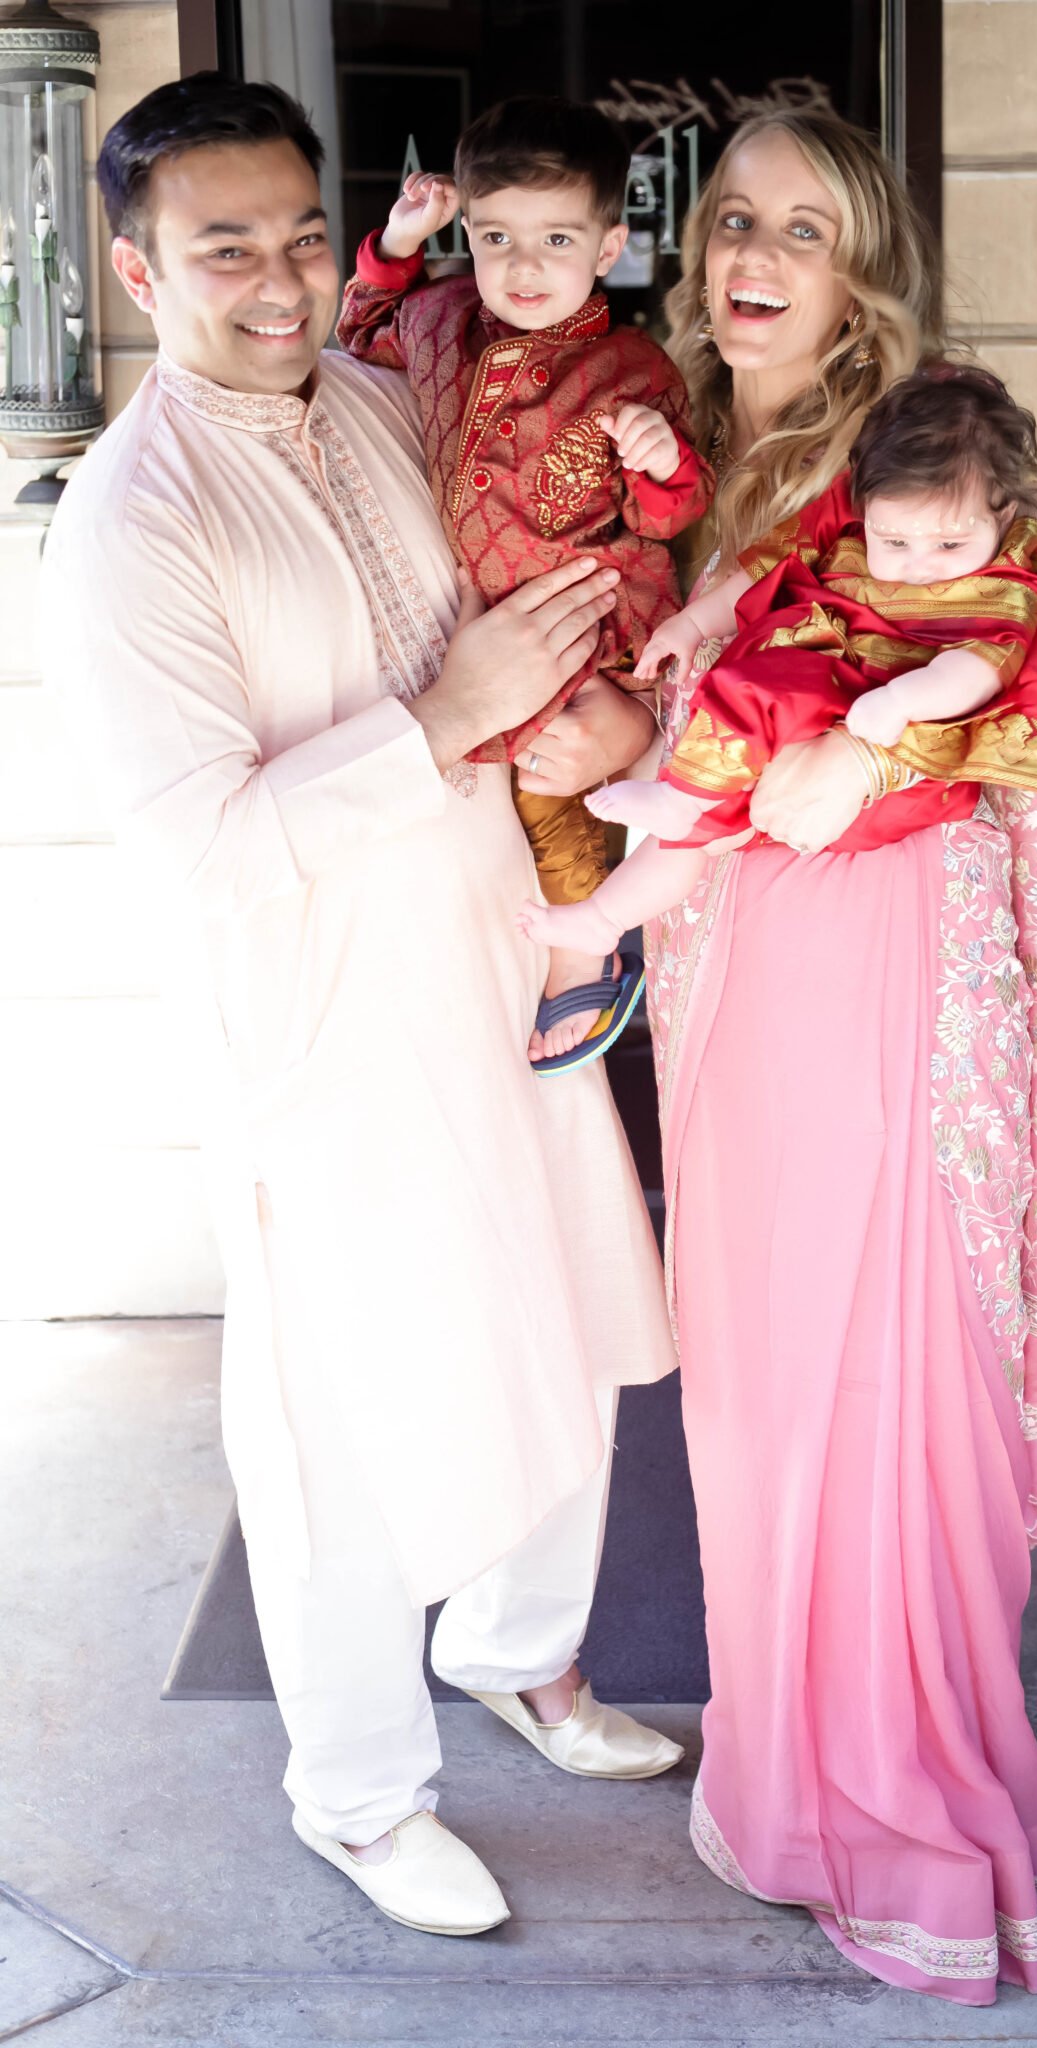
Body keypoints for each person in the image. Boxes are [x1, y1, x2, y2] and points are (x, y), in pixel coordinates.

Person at [39, 73, 681, 1943]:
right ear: (142, 266)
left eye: (305, 236)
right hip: (324, 1025)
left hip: (511, 957)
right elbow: (204, 844)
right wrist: (447, 714)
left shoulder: (407, 402)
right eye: (225, 244)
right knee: (340, 1413)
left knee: (562, 1307)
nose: (278, 280)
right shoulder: (131, 521)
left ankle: (522, 1652)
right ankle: (357, 1786)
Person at [644, 108, 1037, 2003]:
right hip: (737, 963)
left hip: (876, 959)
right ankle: (785, 1783)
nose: (755, 254)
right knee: (763, 1381)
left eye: (805, 226)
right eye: (734, 220)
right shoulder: (698, 438)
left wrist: (890, 744)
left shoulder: (919, 442)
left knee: (875, 1367)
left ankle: (903, 1801)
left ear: (866, 260)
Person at [336, 96, 713, 1070]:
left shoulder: (630, 367)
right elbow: (361, 324)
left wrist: (661, 455)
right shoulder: (440, 321)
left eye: (555, 239)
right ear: (470, 236)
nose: (525, 266)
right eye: (497, 238)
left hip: (588, 616)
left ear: (607, 245)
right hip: (477, 622)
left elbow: (672, 514)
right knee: (475, 813)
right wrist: (396, 242)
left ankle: (585, 953)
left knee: (557, 783)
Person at [517, 366, 1037, 960]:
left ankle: (684, 801)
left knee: (752, 699)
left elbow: (980, 671)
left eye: (950, 544)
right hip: (816, 710)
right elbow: (769, 567)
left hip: (896, 762)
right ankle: (603, 917)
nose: (921, 563)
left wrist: (903, 702)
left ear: (1004, 516)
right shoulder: (851, 507)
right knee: (695, 834)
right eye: (895, 542)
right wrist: (695, 623)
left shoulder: (1007, 580)